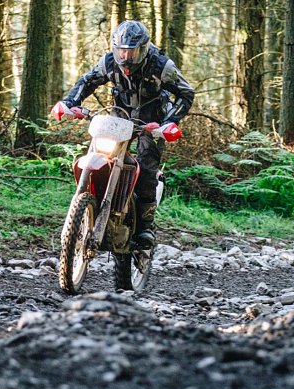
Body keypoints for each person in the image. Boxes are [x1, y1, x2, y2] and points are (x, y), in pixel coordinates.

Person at [50, 20, 195, 250]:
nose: (126, 56)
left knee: (146, 166)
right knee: (103, 153)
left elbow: (186, 93)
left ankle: (145, 226)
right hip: (120, 116)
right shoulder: (109, 62)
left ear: (144, 49)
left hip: (153, 119)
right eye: (122, 50)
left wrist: (169, 122)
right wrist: (69, 103)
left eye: (132, 51)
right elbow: (88, 80)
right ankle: (93, 205)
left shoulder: (161, 65)